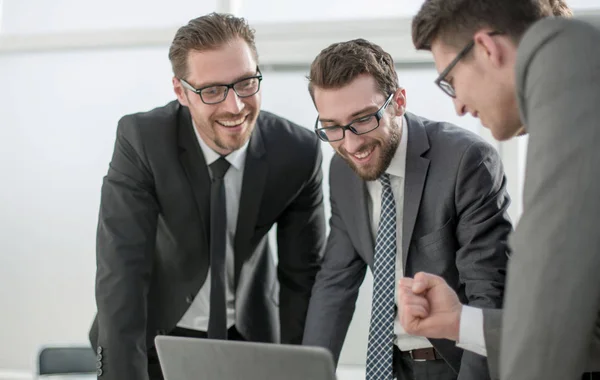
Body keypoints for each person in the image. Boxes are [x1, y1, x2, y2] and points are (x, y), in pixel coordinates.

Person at [88, 12, 326, 380]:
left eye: (246, 83)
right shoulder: (143, 141)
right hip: (152, 340)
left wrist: (299, 371)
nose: (235, 106)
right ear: (181, 92)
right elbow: (121, 273)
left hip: (250, 341)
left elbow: (303, 281)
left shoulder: (296, 152)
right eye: (212, 90)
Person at [397, 0, 600, 379]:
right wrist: (459, 323)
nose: (456, 106)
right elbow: (582, 335)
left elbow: (548, 349)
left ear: (487, 49)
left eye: (450, 81)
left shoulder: (572, 68)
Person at [301, 38, 513, 380]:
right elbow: (334, 284)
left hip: (455, 366)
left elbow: (488, 293)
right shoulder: (342, 169)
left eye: (364, 119)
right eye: (333, 127)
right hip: (389, 366)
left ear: (398, 101)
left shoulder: (466, 162)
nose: (351, 143)